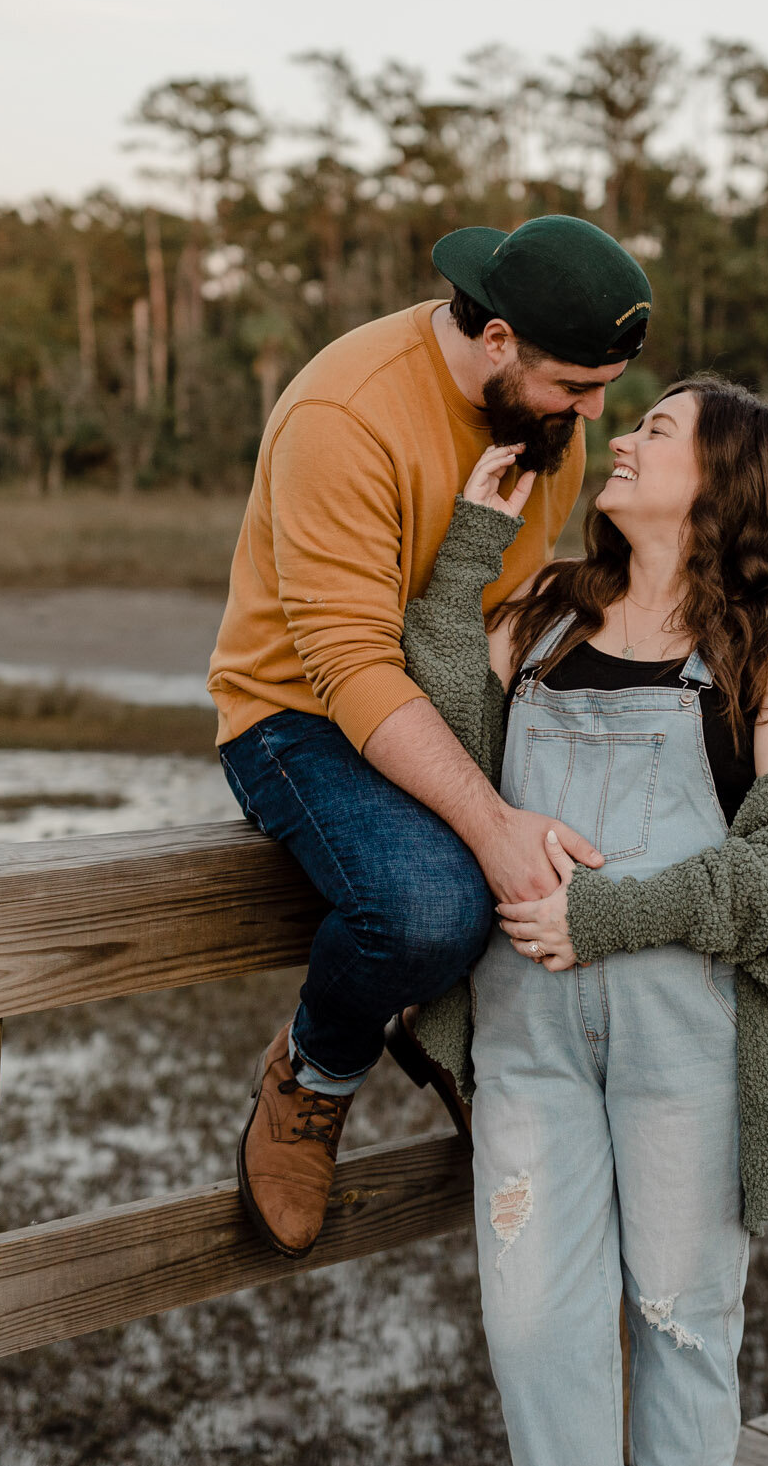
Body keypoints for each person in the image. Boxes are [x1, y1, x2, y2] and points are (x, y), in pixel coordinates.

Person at [395, 377, 768, 1466]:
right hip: (526, 1034)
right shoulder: (539, 615)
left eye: (666, 427)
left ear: (725, 481)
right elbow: (436, 733)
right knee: (535, 1321)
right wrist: (473, 553)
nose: (634, 436)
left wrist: (610, 915)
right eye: (635, 418)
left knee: (679, 1318)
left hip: (689, 1039)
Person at [209, 214, 654, 1257]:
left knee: (611, 853)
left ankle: (472, 1049)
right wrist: (491, 822)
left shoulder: (548, 419)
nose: (597, 415)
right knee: (425, 905)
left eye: (605, 388)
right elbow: (349, 664)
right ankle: (313, 1074)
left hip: (455, 685)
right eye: (579, 387)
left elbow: (508, 607)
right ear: (496, 341)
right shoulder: (345, 416)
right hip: (299, 713)